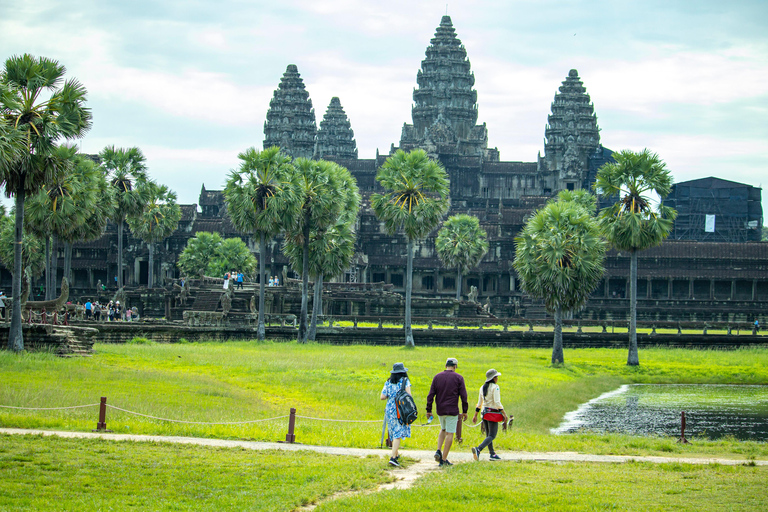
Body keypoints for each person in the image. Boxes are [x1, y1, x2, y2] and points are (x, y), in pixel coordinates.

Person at [426, 357, 468, 467]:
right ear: (455, 367)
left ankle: (438, 450)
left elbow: (431, 394)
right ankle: (443, 459)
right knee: (450, 433)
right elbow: (464, 396)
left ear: (445, 366)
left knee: (443, 429)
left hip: (440, 409)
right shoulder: (459, 378)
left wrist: (429, 409)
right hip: (452, 409)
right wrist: (465, 411)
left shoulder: (437, 377)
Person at [471, 369, 508, 461]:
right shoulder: (495, 387)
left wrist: (475, 415)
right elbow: (497, 402)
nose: (497, 378)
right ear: (494, 378)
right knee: (492, 435)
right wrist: (504, 413)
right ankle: (478, 449)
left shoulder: (482, 387)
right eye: (496, 377)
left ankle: (492, 454)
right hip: (492, 413)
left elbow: (479, 403)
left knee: (488, 435)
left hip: (484, 413)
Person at [380, 362, 412, 467]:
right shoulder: (405, 381)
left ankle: (396, 454)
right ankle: (393, 457)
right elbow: (409, 395)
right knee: (398, 433)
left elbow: (382, 397)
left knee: (393, 431)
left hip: (389, 409)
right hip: (400, 409)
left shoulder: (388, 382)